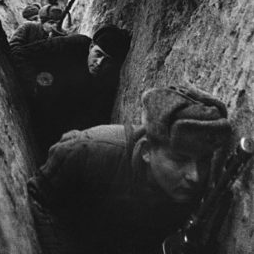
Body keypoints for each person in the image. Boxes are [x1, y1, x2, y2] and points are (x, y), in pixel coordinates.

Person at [28, 85, 232, 254]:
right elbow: (40, 199)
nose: (195, 176)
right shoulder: (86, 151)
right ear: (146, 151)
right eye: (180, 160)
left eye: (204, 161)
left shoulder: (201, 189)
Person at [11, 24, 131, 153]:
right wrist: (32, 88)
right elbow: (20, 54)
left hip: (54, 118)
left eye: (108, 61)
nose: (99, 63)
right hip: (39, 85)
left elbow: (93, 121)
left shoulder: (107, 82)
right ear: (91, 47)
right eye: (98, 54)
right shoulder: (75, 45)